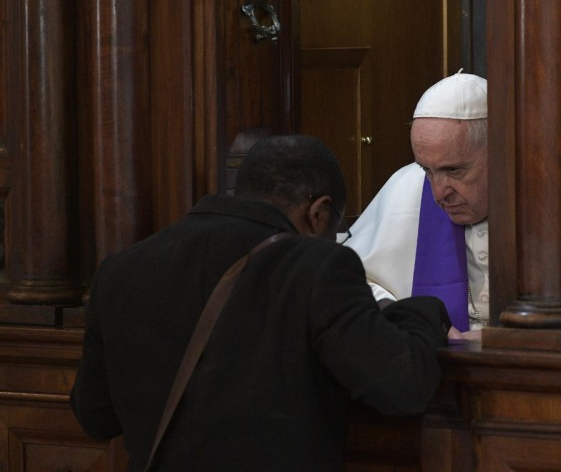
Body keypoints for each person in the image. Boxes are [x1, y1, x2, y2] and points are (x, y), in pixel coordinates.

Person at [70, 135, 451, 471]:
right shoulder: (316, 267)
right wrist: (424, 310)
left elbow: (96, 417)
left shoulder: (119, 271)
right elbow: (403, 386)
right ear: (318, 214)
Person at [345, 71, 488, 341]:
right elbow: (351, 282)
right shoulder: (407, 185)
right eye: (426, 170)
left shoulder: (545, 200)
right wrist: (409, 317)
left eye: (454, 170)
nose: (438, 194)